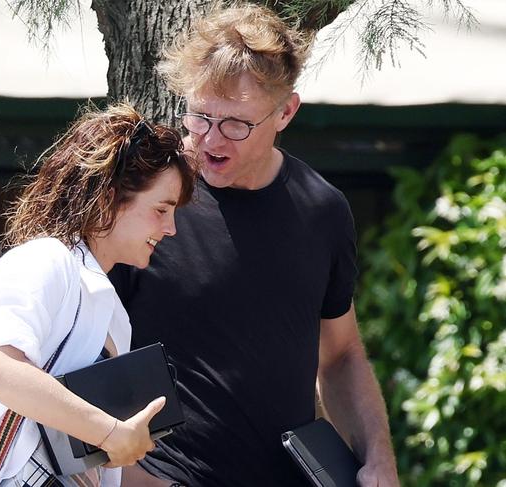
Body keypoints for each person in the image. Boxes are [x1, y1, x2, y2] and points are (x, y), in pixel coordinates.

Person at [110, 5, 400, 487]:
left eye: (236, 124)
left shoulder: (322, 211)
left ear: (286, 112)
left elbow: (342, 353)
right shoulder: (143, 200)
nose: (210, 139)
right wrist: (132, 478)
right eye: (201, 116)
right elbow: (82, 349)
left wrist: (379, 460)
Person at [0, 104, 197, 487]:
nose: (172, 228)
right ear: (109, 197)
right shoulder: (45, 260)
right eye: (161, 209)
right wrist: (109, 432)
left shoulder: (112, 315)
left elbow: (95, 464)